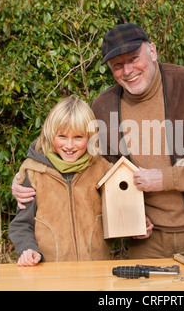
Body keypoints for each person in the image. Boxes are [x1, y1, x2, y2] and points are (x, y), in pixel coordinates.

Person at [12, 23, 184, 259]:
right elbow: (73, 152)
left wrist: (165, 178)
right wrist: (27, 175)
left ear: (152, 51)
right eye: (118, 65)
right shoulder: (103, 106)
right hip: (147, 238)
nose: (128, 70)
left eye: (134, 58)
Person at [9, 95, 115, 266]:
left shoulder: (102, 169)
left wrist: (137, 224)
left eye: (78, 137)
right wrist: (28, 249)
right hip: (50, 272)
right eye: (62, 136)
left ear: (91, 137)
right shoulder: (34, 173)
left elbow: (120, 213)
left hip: (95, 270)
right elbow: (22, 224)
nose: (70, 145)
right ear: (51, 135)